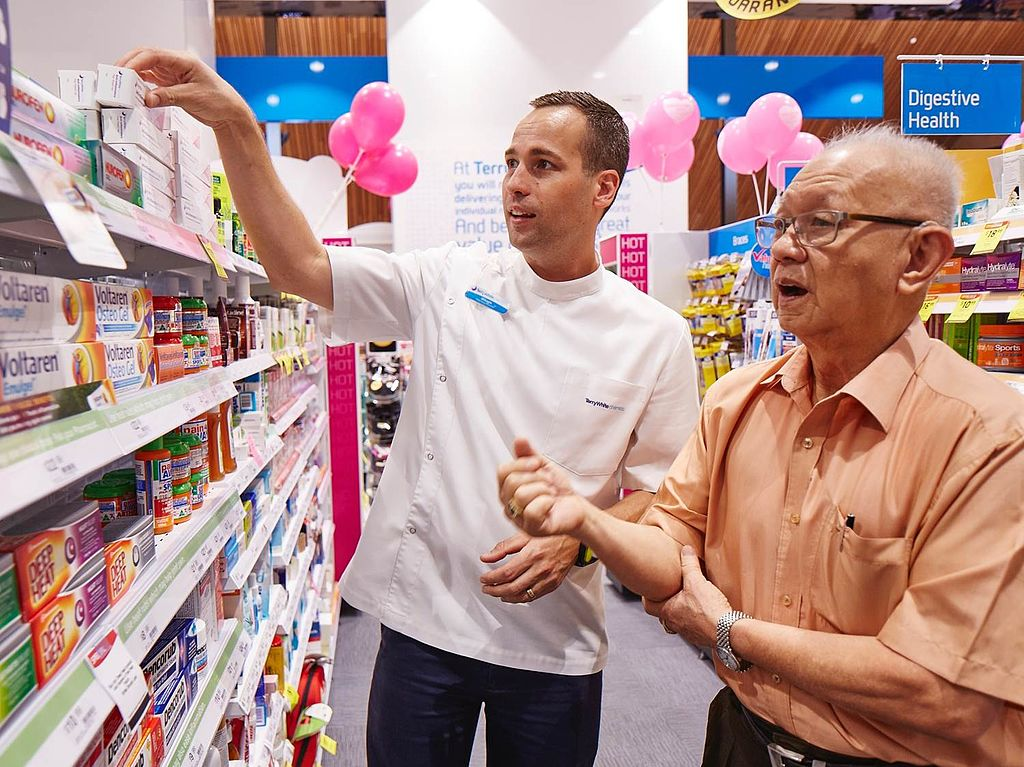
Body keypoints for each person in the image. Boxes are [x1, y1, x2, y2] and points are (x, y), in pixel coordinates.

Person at [115, 49, 701, 765]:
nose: (515, 183)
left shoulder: (656, 336)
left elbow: (666, 499)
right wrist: (238, 125)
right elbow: (297, 267)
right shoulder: (452, 278)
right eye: (510, 162)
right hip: (423, 626)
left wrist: (580, 539)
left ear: (603, 186)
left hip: (555, 642)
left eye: (543, 165)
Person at [499, 125, 1024, 767]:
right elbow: (670, 553)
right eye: (780, 227)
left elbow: (943, 692)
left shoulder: (992, 439)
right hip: (742, 740)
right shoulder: (736, 402)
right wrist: (587, 522)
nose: (783, 251)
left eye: (820, 225)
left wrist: (728, 632)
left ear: (917, 258)